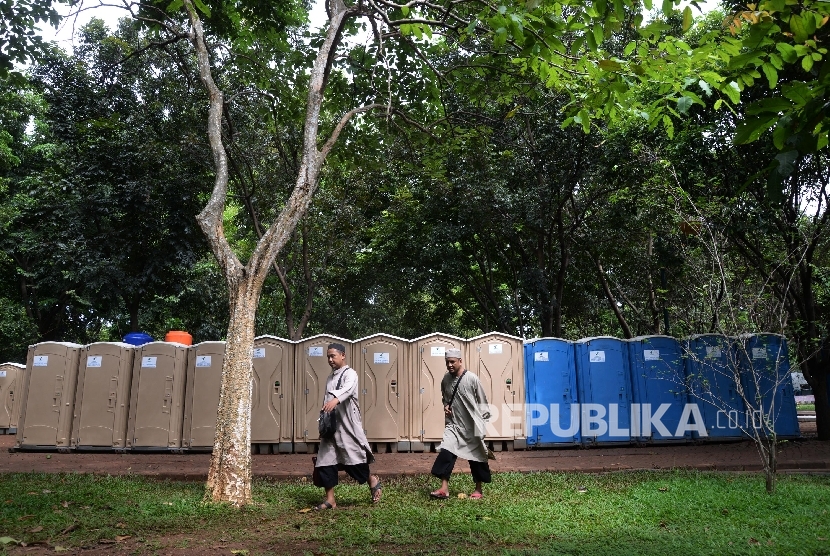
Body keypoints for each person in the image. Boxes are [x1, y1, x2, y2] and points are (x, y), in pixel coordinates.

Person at [312, 343, 382, 510]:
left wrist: (336, 399)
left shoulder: (350, 373)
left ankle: (372, 480)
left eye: (333, 356)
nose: (330, 360)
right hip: (331, 428)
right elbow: (325, 403)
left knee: (354, 462)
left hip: (347, 426)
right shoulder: (330, 377)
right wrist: (323, 426)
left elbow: (348, 389)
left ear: (342, 355)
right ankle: (330, 500)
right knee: (324, 462)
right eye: (328, 357)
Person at [429, 348, 492, 500]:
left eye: (452, 362)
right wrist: (446, 405)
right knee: (447, 451)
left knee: (477, 457)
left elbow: (483, 402)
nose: (449, 365)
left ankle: (478, 489)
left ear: (460, 361)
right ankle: (444, 488)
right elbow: (445, 397)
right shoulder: (446, 379)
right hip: (454, 425)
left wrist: (483, 425)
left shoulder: (472, 379)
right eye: (447, 362)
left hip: (472, 425)